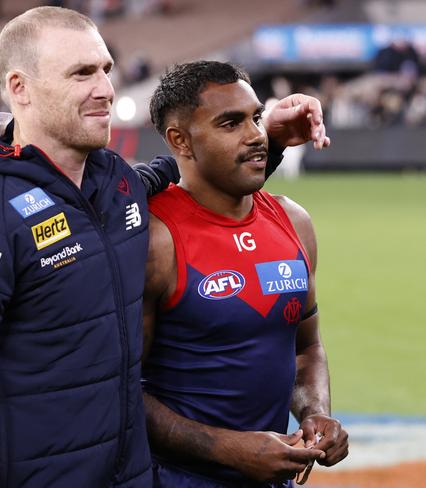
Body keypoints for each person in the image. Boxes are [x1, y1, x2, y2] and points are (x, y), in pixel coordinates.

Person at [0, 7, 331, 488]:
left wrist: (267, 140)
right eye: (81, 73)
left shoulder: (112, 186)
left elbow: (191, 176)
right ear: (19, 88)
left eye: (106, 70)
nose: (105, 89)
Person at [141, 60, 349, 488]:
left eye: (256, 117)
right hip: (174, 479)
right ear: (180, 140)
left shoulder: (294, 221)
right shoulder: (154, 240)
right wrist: (229, 449)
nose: (257, 134)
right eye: (230, 123)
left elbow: (305, 347)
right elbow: (119, 391)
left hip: (273, 478)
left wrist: (315, 414)